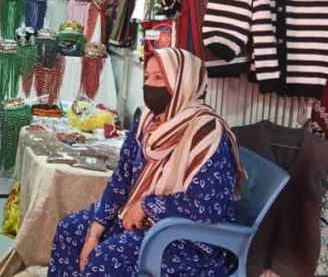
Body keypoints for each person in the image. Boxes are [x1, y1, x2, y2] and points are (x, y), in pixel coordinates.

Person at [48, 48, 246, 276]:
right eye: (147, 77)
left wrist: (146, 206)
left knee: (107, 258)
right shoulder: (147, 121)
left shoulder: (207, 135)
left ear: (183, 82)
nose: (150, 85)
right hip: (140, 223)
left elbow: (207, 208)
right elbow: (121, 179)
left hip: (190, 239)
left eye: (159, 77)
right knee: (71, 230)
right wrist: (95, 231)